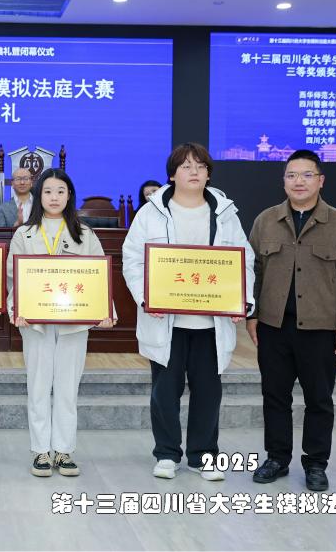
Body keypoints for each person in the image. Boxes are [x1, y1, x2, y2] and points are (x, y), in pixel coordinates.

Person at [121, 143, 254, 482]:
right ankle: (167, 454)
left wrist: (242, 300)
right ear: (172, 174)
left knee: (208, 392)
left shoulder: (225, 213)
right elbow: (133, 259)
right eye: (186, 166)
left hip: (211, 322)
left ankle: (203, 456)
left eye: (200, 166)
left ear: (209, 173)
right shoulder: (151, 213)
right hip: (165, 320)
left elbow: (244, 260)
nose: (194, 171)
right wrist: (146, 298)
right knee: (165, 392)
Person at [247, 149, 336, 492]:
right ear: (283, 181)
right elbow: (252, 271)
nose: (299, 181)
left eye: (307, 175)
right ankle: (276, 458)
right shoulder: (266, 220)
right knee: (274, 396)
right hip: (273, 327)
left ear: (320, 180)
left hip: (320, 329)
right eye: (291, 175)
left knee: (319, 399)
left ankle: (315, 464)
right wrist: (252, 315)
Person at [6, 168, 114, 477]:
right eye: (48, 191)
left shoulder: (85, 234)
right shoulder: (24, 234)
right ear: (38, 196)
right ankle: (41, 450)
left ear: (69, 196)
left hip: (74, 323)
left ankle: (64, 450)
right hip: (35, 321)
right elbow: (13, 277)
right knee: (38, 386)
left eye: (60, 191)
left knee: (68, 388)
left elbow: (99, 277)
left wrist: (106, 310)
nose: (54, 197)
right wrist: (17, 309)